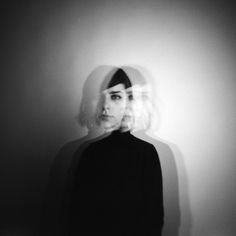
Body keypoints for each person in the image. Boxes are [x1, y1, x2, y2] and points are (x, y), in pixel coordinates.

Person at [65, 68, 164, 236]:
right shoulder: (91, 153)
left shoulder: (147, 153)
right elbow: (77, 212)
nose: (108, 105)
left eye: (117, 97)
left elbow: (154, 216)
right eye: (104, 98)